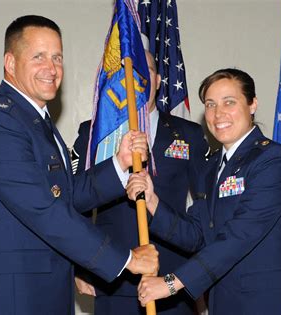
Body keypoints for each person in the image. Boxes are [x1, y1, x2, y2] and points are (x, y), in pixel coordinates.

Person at [0, 15, 159, 315]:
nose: (51, 68)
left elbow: (64, 194)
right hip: (9, 297)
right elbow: (44, 210)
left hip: (42, 291)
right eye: (38, 57)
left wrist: (119, 163)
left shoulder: (34, 120)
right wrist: (125, 259)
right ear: (10, 64)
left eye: (57, 57)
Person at [127, 68, 281, 314]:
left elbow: (238, 237)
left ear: (252, 104)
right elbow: (197, 234)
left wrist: (171, 284)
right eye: (211, 104)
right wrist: (152, 201)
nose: (218, 113)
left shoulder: (271, 161)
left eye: (229, 102)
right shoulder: (212, 166)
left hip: (267, 305)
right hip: (224, 304)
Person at [72, 51, 208, 314]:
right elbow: (72, 205)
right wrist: (78, 266)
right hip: (112, 281)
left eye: (146, 69)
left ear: (157, 79)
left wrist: (201, 275)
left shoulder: (189, 134)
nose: (140, 78)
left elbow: (206, 211)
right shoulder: (94, 133)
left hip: (173, 285)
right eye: (130, 71)